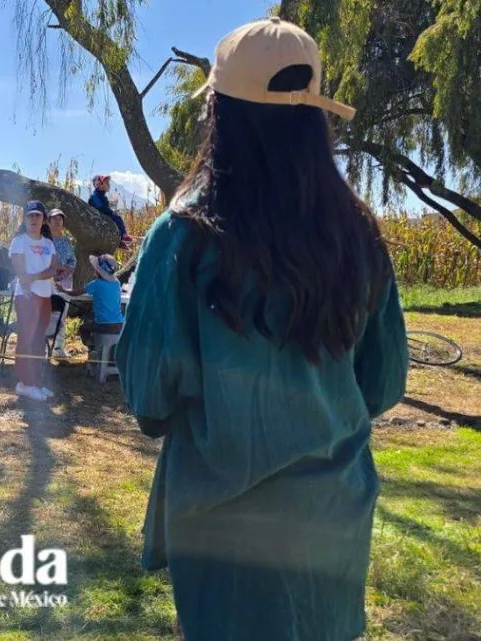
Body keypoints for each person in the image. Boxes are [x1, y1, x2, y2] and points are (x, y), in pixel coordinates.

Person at [114, 18, 407, 641]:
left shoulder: (182, 238)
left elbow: (147, 395)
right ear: (314, 117)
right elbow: (382, 383)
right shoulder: (360, 237)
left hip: (223, 528)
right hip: (334, 515)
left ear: (218, 111)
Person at [9, 200, 60, 402]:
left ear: (43, 219)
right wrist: (27, 280)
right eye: (30, 215)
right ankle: (25, 383)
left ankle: (36, 382)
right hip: (27, 296)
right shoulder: (19, 241)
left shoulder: (48, 244)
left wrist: (35, 277)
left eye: (38, 215)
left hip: (45, 295)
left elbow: (52, 269)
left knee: (39, 340)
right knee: (27, 339)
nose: (34, 219)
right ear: (24, 218)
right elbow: (19, 269)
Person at [56, 254, 123, 352]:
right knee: (92, 317)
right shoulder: (117, 283)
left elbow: (76, 293)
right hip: (119, 323)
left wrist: (64, 290)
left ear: (98, 271)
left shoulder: (96, 283)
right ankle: (97, 347)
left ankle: (93, 348)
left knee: (83, 328)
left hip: (103, 325)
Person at [47, 208, 77, 358]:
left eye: (60, 219)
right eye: (54, 219)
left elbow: (72, 260)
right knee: (46, 314)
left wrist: (67, 270)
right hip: (48, 282)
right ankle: (44, 347)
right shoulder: (45, 241)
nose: (57, 222)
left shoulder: (66, 241)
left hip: (65, 282)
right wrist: (57, 269)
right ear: (49, 221)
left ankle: (58, 349)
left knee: (62, 315)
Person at [88, 174, 133, 249]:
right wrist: (111, 212)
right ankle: (124, 236)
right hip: (99, 218)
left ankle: (120, 241)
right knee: (118, 219)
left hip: (102, 216)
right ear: (99, 185)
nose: (109, 185)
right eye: (107, 183)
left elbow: (104, 206)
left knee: (116, 221)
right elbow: (101, 208)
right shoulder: (95, 196)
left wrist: (111, 206)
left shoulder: (101, 196)